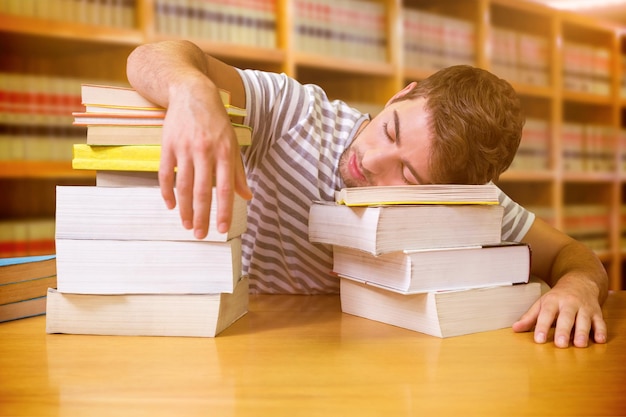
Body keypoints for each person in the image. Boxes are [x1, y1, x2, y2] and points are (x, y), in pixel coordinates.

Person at [126, 39, 608, 349]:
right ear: (400, 95)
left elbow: (572, 254)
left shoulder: (468, 204)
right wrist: (194, 91)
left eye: (409, 176)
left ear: (450, 195)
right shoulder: (297, 115)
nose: (371, 160)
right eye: (391, 131)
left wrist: (579, 286)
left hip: (364, 360)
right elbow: (150, 55)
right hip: (243, 337)